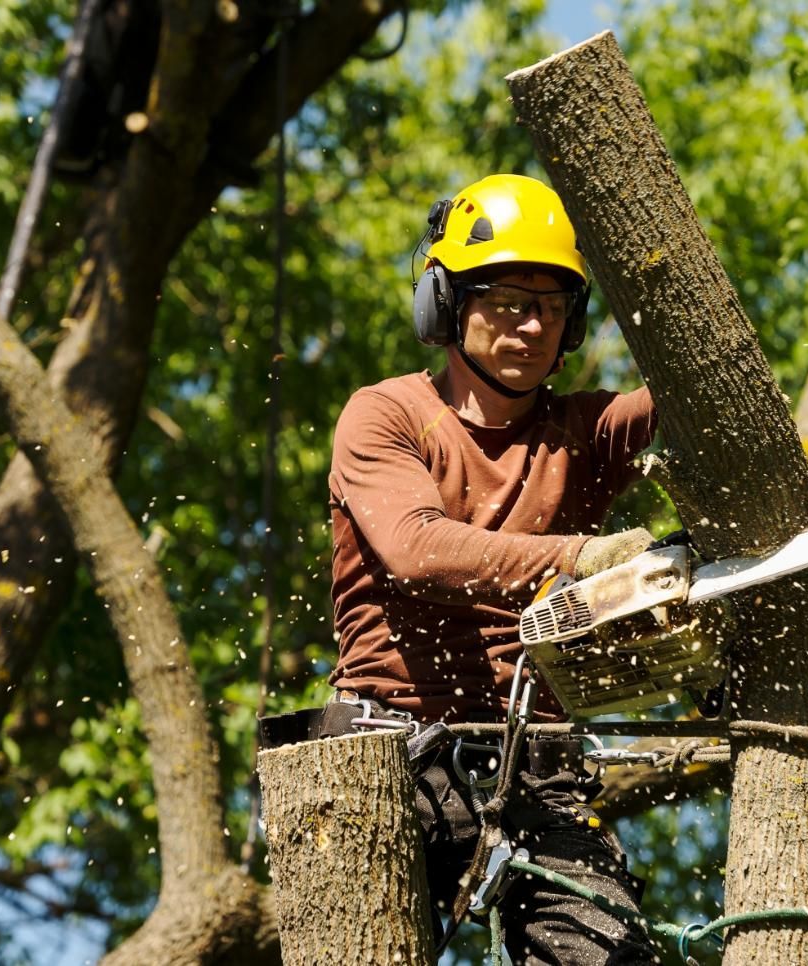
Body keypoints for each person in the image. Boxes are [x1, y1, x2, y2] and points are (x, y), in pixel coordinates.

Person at [326, 173, 660, 964]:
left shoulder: (587, 430)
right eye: (507, 300)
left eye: (551, 305)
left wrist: (650, 279)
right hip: (391, 749)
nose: (531, 324)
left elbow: (706, 385)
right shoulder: (389, 414)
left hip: (535, 762)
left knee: (607, 954)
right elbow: (417, 545)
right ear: (447, 306)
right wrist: (580, 554)